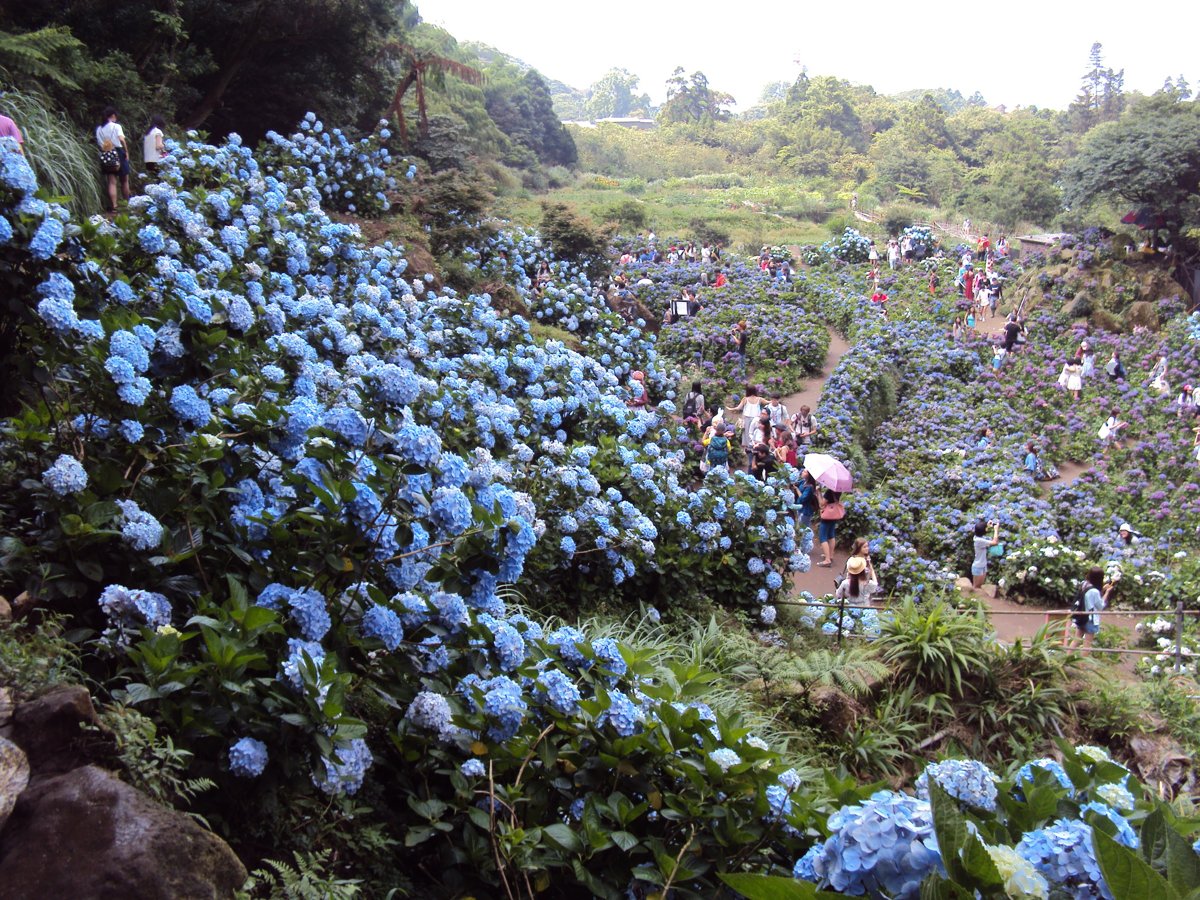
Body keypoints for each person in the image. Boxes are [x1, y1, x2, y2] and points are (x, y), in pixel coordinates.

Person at [96, 106, 131, 212]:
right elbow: (121, 139)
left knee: (112, 182)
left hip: (106, 153)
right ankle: (127, 204)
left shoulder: (99, 129)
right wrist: (126, 151)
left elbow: (99, 144)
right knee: (124, 180)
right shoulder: (116, 126)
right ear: (113, 116)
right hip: (118, 152)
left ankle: (114, 206)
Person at [727, 384, 763, 469]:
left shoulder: (745, 399)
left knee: (746, 433)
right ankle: (755, 445)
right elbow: (768, 402)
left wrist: (730, 409)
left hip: (747, 418)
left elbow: (738, 408)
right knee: (756, 432)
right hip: (757, 418)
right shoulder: (759, 399)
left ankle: (747, 448)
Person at [1071, 566, 1107, 650]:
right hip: (1091, 619)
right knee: (1087, 645)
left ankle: (1066, 660)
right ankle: (1082, 663)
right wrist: (1107, 593)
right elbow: (1100, 606)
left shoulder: (1084, 584)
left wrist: (1102, 589)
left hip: (1081, 616)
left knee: (1076, 640)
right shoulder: (1095, 591)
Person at [816, 489, 844, 567]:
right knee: (831, 535)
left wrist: (818, 493)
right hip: (834, 515)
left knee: (823, 537)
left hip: (827, 517)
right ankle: (830, 555)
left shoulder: (829, 491)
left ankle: (827, 560)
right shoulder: (838, 491)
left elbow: (821, 504)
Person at [971, 519, 1001, 588]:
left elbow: (981, 529)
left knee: (979, 586)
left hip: (982, 565)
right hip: (978, 567)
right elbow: (995, 542)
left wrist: (988, 525)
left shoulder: (977, 537)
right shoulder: (979, 541)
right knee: (976, 587)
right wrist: (996, 530)